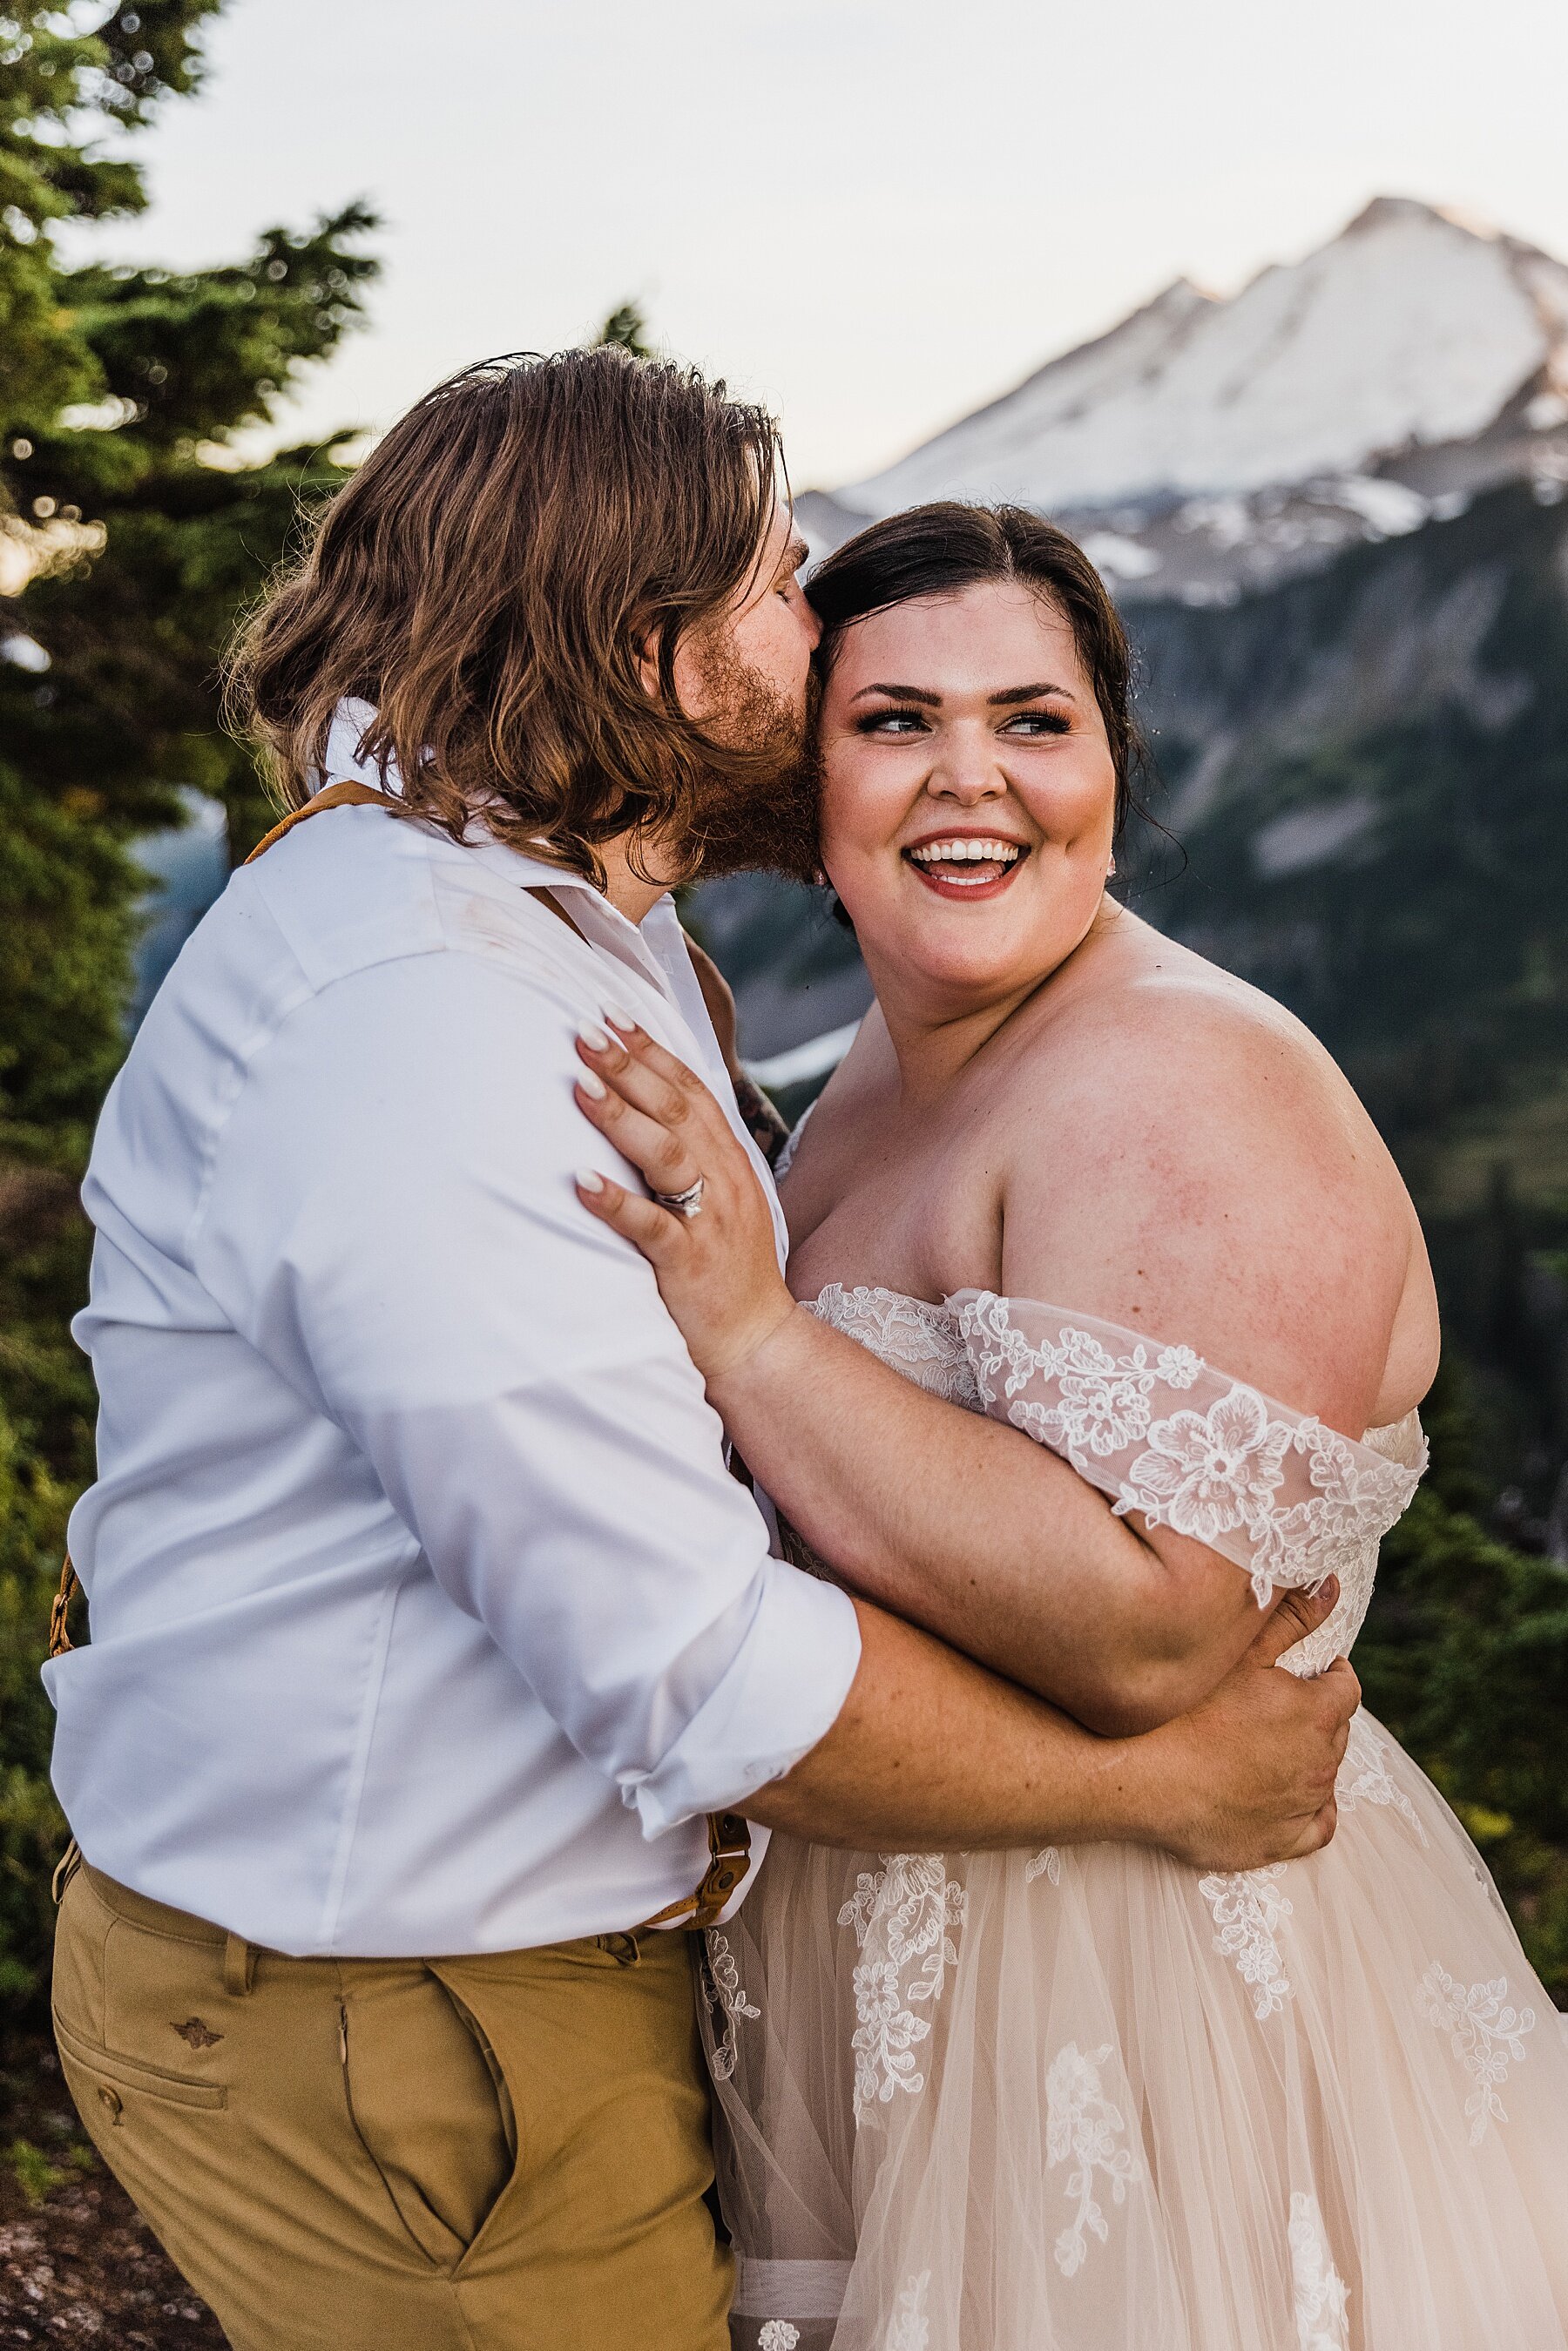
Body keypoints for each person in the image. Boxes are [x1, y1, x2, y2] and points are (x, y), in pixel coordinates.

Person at [43, 360, 1355, 2351]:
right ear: (651, 653)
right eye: (774, 584)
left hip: (476, 1976)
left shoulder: (565, 913)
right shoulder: (432, 1021)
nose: (814, 635)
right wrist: (1164, 1783)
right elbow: (688, 1665)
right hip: (398, 2019)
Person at [574, 501, 1568, 2351]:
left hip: (1143, 2008)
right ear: (808, 780)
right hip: (887, 1989)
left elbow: (1154, 1630)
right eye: (894, 723)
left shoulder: (1188, 1078)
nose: (975, 781)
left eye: (1036, 721)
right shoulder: (889, 1060)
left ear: (1114, 757)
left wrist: (753, 1335)